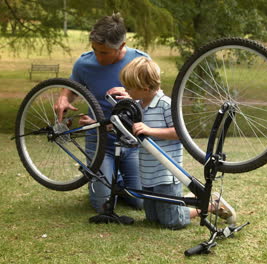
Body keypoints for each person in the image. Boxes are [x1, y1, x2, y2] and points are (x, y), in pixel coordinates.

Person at [119, 57, 236, 229]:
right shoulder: (137, 106)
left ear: (144, 88)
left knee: (172, 221)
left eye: (129, 87)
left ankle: (211, 205)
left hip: (166, 172)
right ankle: (187, 201)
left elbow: (179, 133)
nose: (125, 90)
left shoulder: (166, 105)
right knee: (153, 219)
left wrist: (149, 131)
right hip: (147, 171)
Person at [54, 13, 146, 213]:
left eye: (104, 53)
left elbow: (153, 98)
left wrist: (129, 95)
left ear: (121, 46)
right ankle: (108, 181)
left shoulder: (140, 61)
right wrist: (63, 99)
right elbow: (70, 89)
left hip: (130, 140)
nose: (98, 56)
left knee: (139, 202)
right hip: (99, 141)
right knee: (102, 206)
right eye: (94, 50)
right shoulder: (84, 64)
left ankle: (116, 180)